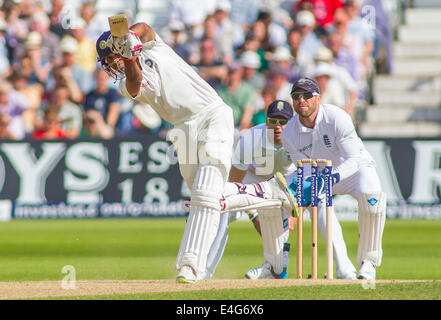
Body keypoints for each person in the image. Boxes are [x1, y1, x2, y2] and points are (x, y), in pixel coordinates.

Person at [95, 22, 236, 283]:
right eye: (109, 63)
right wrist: (128, 56)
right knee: (203, 198)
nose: (111, 66)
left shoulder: (151, 46)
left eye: (111, 59)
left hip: (213, 113)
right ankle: (254, 194)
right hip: (183, 129)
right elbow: (136, 81)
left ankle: (190, 265)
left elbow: (145, 28)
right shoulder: (125, 84)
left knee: (205, 195)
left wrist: (131, 38)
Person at [283, 77, 386, 280]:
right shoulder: (289, 134)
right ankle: (344, 270)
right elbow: (303, 168)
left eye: (307, 95)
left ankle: (368, 262)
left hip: (354, 171)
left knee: (372, 197)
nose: (301, 100)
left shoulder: (337, 117)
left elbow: (354, 159)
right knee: (319, 209)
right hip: (321, 175)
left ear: (318, 98)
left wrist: (331, 177)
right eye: (296, 96)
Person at [200, 99, 297, 280]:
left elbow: (295, 186)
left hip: (280, 180)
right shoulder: (251, 137)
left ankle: (275, 265)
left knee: (290, 219)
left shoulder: (297, 140)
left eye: (283, 122)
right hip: (251, 178)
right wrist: (253, 214)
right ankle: (204, 271)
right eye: (273, 121)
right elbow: (235, 183)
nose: (278, 126)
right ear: (266, 120)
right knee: (223, 211)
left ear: (291, 123)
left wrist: (290, 219)